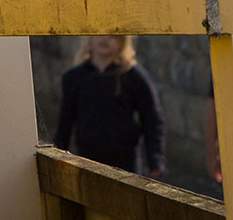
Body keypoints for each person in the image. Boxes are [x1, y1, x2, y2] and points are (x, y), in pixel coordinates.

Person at [53, 35, 167, 177]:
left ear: (122, 41)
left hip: (125, 163)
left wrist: (155, 161)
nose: (105, 38)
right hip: (87, 160)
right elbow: (64, 123)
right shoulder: (74, 78)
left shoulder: (134, 77)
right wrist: (57, 158)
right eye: (99, 32)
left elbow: (152, 120)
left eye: (113, 35)